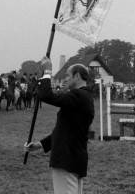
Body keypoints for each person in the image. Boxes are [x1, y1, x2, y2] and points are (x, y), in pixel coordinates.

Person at [25, 57, 94, 194]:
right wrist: (41, 144)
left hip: (66, 159)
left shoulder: (78, 95)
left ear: (78, 76)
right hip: (73, 158)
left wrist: (48, 71)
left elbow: (46, 96)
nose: (65, 79)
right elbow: (67, 129)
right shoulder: (84, 97)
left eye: (68, 75)